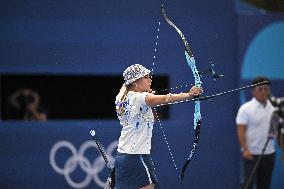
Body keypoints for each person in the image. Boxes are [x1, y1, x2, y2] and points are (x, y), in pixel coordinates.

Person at [114, 64, 202, 189]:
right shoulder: (141, 98)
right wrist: (189, 95)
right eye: (146, 77)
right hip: (137, 155)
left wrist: (143, 90)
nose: (150, 79)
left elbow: (126, 86)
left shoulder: (121, 97)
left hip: (122, 156)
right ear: (135, 82)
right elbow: (166, 98)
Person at [236, 77, 276, 189]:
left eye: (266, 89)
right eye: (260, 89)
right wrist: (245, 149)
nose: (263, 92)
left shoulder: (274, 108)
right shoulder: (245, 109)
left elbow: (278, 130)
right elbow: (241, 130)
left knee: (264, 185)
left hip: (269, 154)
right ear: (253, 91)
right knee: (248, 185)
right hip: (251, 154)